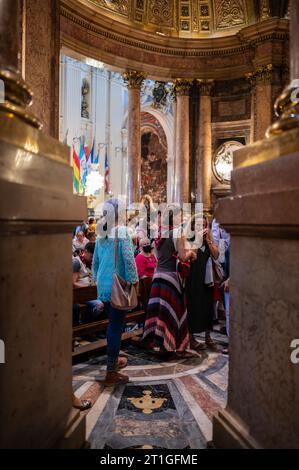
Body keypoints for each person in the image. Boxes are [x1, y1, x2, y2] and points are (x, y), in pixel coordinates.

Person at [92, 199, 139, 385]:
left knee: (112, 324)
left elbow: (95, 263)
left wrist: (98, 280)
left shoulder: (101, 234)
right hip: (117, 285)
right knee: (116, 327)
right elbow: (129, 259)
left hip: (103, 285)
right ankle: (111, 371)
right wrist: (134, 282)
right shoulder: (121, 232)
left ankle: (114, 359)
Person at [142, 207, 196, 357]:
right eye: (181, 216)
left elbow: (157, 256)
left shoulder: (159, 233)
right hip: (171, 277)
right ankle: (175, 346)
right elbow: (184, 257)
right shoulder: (177, 232)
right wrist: (192, 252)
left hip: (158, 276)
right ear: (175, 218)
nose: (183, 219)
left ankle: (157, 343)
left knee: (160, 312)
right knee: (175, 311)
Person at [185, 215, 220, 350]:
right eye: (199, 225)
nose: (202, 227)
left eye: (204, 225)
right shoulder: (189, 239)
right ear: (193, 226)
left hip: (207, 278)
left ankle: (208, 336)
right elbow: (190, 258)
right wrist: (198, 240)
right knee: (193, 306)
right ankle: (192, 337)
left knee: (208, 306)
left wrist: (209, 240)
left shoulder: (208, 240)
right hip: (193, 278)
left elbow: (216, 255)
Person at [135, 238, 157, 310]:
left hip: (155, 280)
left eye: (148, 243)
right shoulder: (139, 257)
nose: (147, 245)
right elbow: (141, 274)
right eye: (145, 244)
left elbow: (156, 267)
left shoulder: (152, 255)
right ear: (140, 246)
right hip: (146, 284)